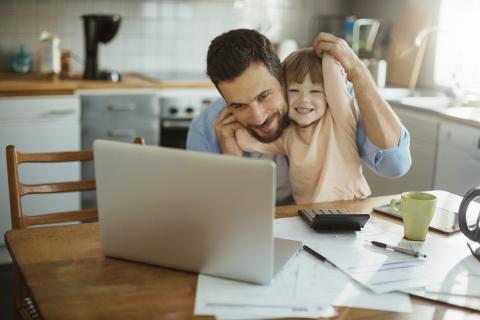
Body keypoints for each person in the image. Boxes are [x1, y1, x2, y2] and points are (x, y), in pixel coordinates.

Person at [187, 29, 411, 205]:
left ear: (282, 77)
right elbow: (211, 216)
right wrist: (230, 162)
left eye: (264, 95)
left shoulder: (325, 100)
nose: (257, 117)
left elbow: (394, 165)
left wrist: (358, 72)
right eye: (238, 105)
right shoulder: (207, 130)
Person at [235, 49, 370, 204]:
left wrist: (325, 50)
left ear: (328, 95)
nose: (304, 99)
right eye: (293, 90)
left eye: (315, 91)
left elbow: (333, 77)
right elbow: (246, 141)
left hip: (349, 205)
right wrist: (239, 111)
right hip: (308, 212)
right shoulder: (288, 135)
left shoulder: (339, 121)